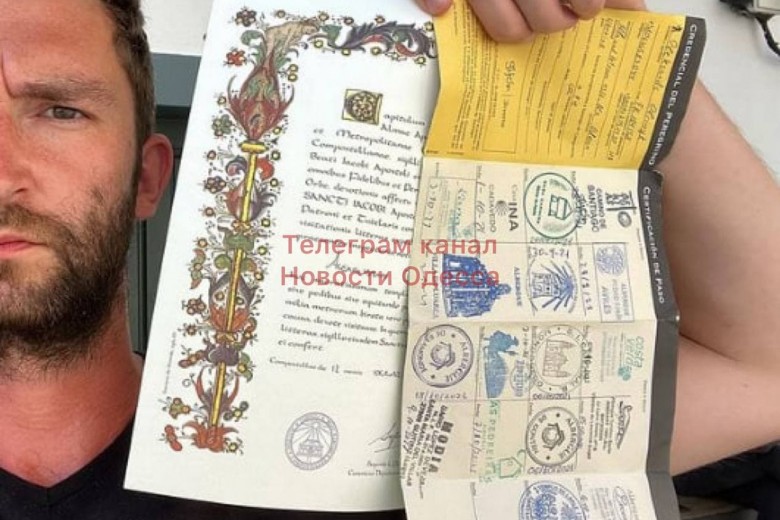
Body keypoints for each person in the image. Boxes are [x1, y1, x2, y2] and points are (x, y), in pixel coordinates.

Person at [0, 0, 777, 518]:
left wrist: (605, 37)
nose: (4, 172)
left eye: (59, 110)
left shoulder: (378, 428)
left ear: (147, 178)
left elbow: (766, 367)